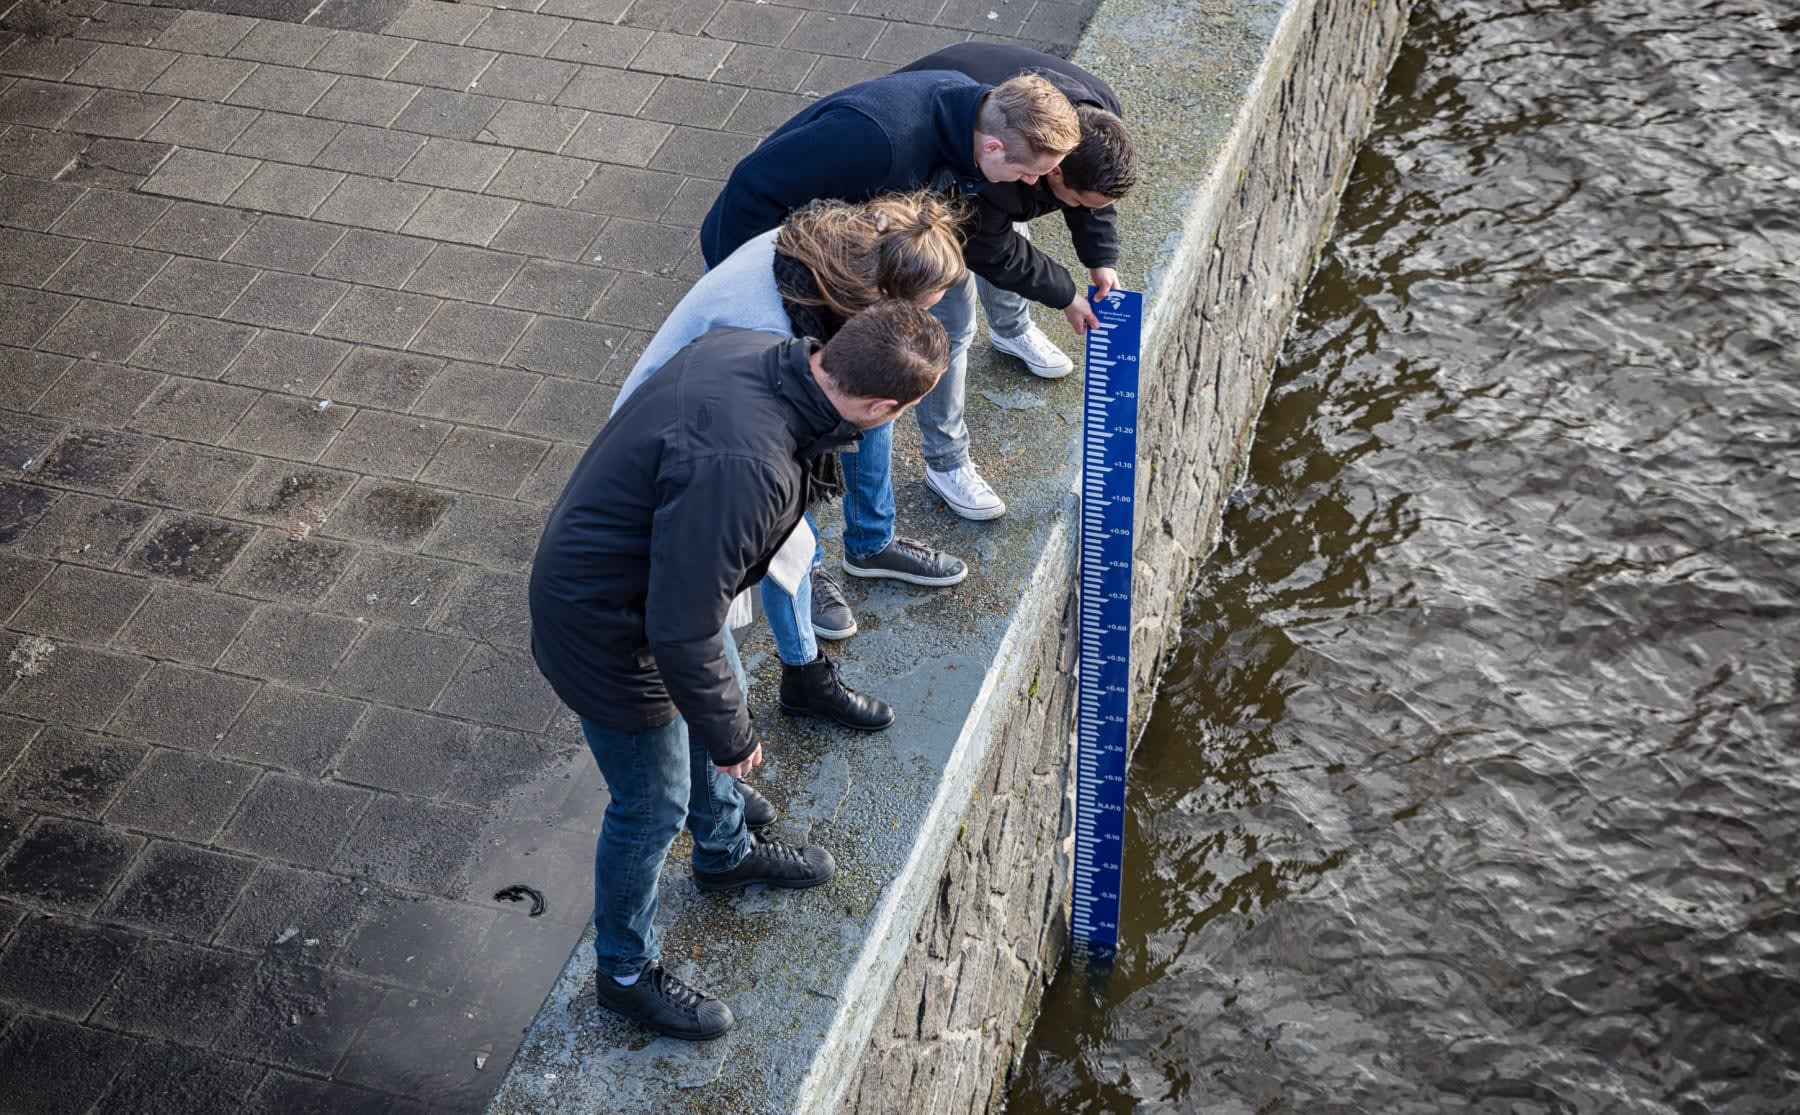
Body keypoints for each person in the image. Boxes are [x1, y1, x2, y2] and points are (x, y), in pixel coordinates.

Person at [529, 302, 950, 1041]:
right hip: (609, 628)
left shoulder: (765, 352)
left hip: (663, 591)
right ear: (883, 406)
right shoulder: (746, 465)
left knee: (719, 693)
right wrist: (729, 734)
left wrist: (723, 718)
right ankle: (624, 973)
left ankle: (722, 852)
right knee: (649, 805)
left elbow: (696, 602)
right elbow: (679, 626)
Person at [615, 192, 969, 733]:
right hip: (683, 448)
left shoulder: (826, 261)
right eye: (919, 309)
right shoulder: (775, 335)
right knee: (723, 599)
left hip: (716, 420)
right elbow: (763, 505)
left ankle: (815, 648)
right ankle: (728, 750)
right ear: (883, 296)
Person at [701, 66, 1081, 523]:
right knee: (804, 416)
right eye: (1025, 172)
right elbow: (751, 186)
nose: (1031, 185)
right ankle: (810, 556)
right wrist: (790, 306)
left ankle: (870, 541)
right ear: (994, 146)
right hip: (771, 268)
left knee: (880, 379)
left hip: (854, 258)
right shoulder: (880, 142)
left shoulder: (968, 115)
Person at [899, 42, 1141, 379]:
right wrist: (1067, 295)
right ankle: (945, 434)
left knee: (1009, 214)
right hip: (923, 164)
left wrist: (1101, 257)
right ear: (1052, 169)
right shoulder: (997, 169)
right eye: (1079, 204)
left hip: (991, 150)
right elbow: (991, 249)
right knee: (951, 328)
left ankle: (1011, 331)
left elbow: (1092, 187)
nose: (1081, 211)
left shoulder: (1101, 115)